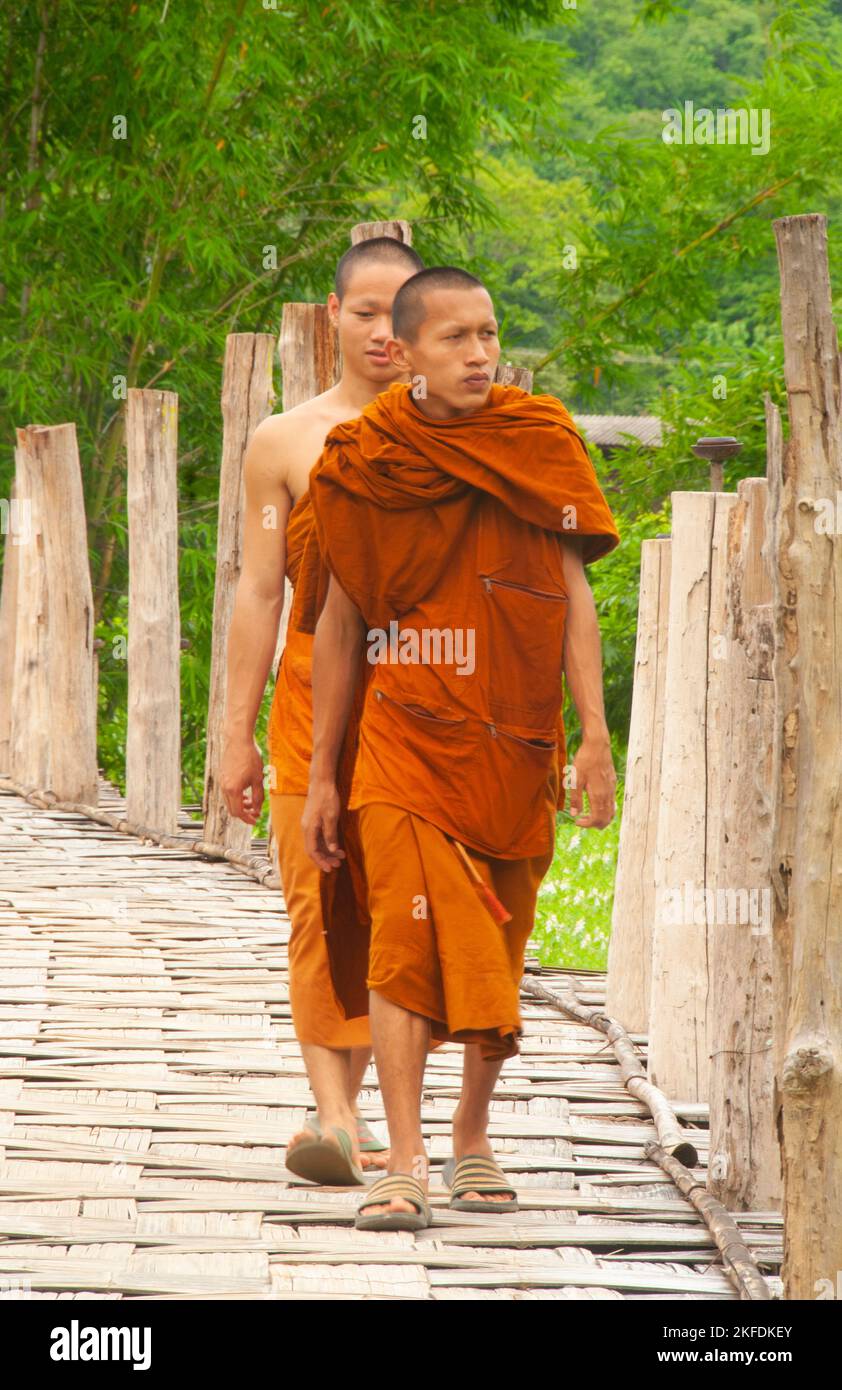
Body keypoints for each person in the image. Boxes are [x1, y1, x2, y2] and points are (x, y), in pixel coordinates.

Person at [300, 266, 621, 1230]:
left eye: (488, 334)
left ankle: (472, 1133)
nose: (480, 355)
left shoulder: (539, 444)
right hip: (403, 735)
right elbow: (341, 616)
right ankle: (401, 1158)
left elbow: (571, 594)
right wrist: (322, 772)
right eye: (456, 340)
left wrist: (595, 734)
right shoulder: (363, 459)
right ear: (403, 352)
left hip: (514, 737)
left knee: (500, 938)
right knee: (403, 942)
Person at [221, 236, 425, 1186]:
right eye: (365, 313)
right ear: (331, 317)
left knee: (403, 906)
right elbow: (261, 591)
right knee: (317, 900)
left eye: (401, 314)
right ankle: (336, 1121)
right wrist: (232, 736)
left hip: (425, 688)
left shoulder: (461, 430)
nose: (384, 334)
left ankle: (412, 1130)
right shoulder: (285, 440)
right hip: (310, 692)